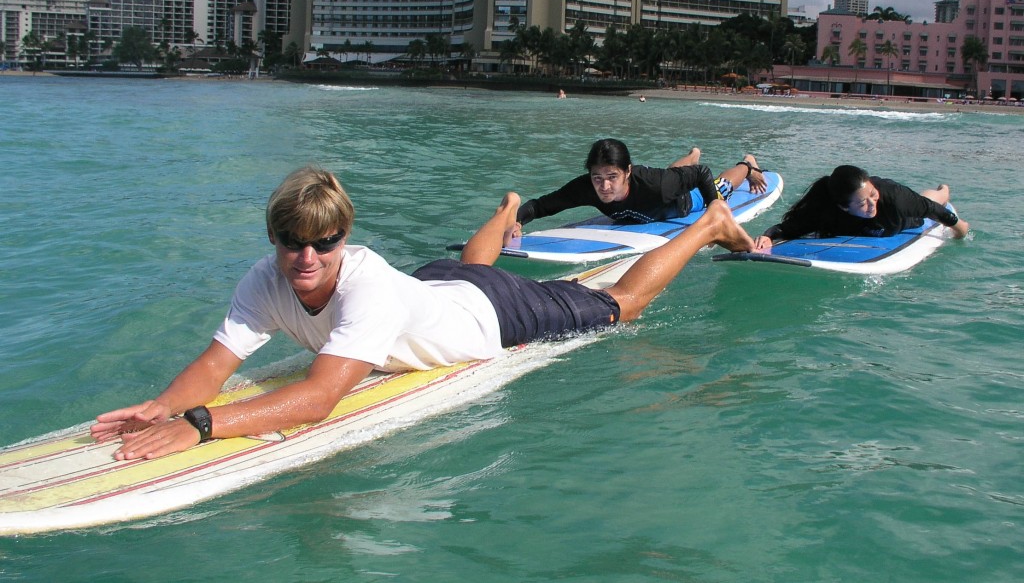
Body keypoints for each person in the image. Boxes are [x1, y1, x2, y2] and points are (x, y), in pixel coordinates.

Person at [91, 166, 755, 461]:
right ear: (275, 239)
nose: (308, 257)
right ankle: (506, 211)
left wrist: (201, 426)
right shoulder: (265, 279)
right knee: (469, 266)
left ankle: (709, 226)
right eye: (294, 241)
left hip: (492, 314)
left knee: (619, 307)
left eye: (325, 241)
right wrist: (164, 404)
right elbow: (217, 361)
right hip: (433, 288)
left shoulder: (365, 288)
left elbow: (320, 398)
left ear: (343, 236)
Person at [513, 138, 768, 234]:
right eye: (597, 177)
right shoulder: (587, 187)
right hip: (666, 181)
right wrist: (517, 222)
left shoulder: (656, 185)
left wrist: (715, 208)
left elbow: (702, 174)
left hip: (683, 203)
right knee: (673, 174)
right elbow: (540, 206)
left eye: (612, 177)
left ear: (627, 171)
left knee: (720, 185)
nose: (604, 185)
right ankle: (692, 154)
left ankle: (746, 164)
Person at [752, 164, 969, 252]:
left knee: (930, 201)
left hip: (904, 220)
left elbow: (934, 210)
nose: (872, 204)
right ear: (843, 207)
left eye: (872, 196)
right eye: (863, 203)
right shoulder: (827, 210)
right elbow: (787, 228)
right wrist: (768, 237)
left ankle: (944, 189)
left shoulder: (892, 198)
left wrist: (960, 229)